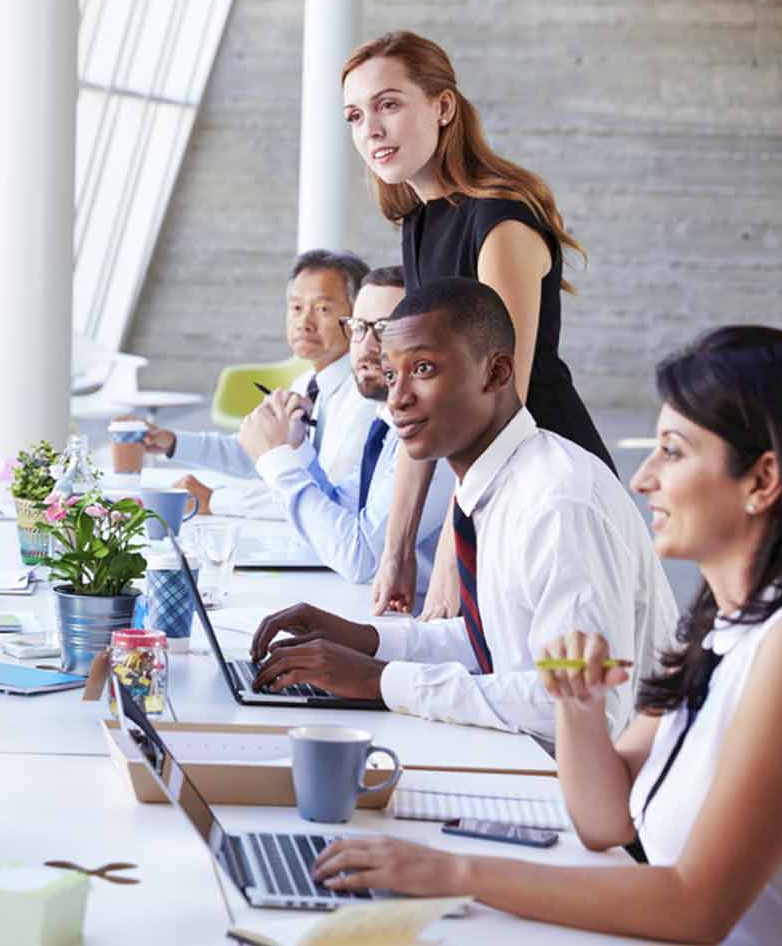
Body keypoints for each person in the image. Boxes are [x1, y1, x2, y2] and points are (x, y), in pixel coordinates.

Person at [310, 326, 782, 946]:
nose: (643, 479)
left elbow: (696, 906)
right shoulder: (723, 625)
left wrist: (451, 872)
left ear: (763, 481)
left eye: (673, 451)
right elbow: (604, 821)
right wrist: (578, 709)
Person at [248, 278, 675, 744]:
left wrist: (381, 680)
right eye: (392, 375)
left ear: (495, 374)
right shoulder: (498, 483)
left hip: (598, 792)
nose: (397, 398)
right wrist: (366, 641)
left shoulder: (557, 500)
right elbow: (498, 640)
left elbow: (580, 700)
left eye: (424, 368)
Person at [341, 30, 614, 618]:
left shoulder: (502, 221)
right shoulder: (419, 225)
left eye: (389, 104)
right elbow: (414, 400)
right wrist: (396, 552)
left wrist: (449, 551)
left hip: (550, 483)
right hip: (491, 485)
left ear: (442, 107)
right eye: (356, 115)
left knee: (550, 689)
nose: (371, 130)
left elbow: (501, 397)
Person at [232, 266, 452, 594]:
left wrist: (275, 461)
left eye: (385, 328)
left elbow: (359, 558)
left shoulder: (437, 435)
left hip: (428, 626)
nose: (367, 344)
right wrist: (296, 448)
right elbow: (344, 507)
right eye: (359, 327)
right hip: (375, 608)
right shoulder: (386, 424)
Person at [146, 249, 377, 513]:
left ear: (357, 317)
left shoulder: (364, 397)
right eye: (297, 307)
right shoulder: (307, 384)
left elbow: (326, 501)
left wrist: (215, 501)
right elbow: (262, 453)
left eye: (322, 308)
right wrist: (173, 442)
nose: (304, 322)